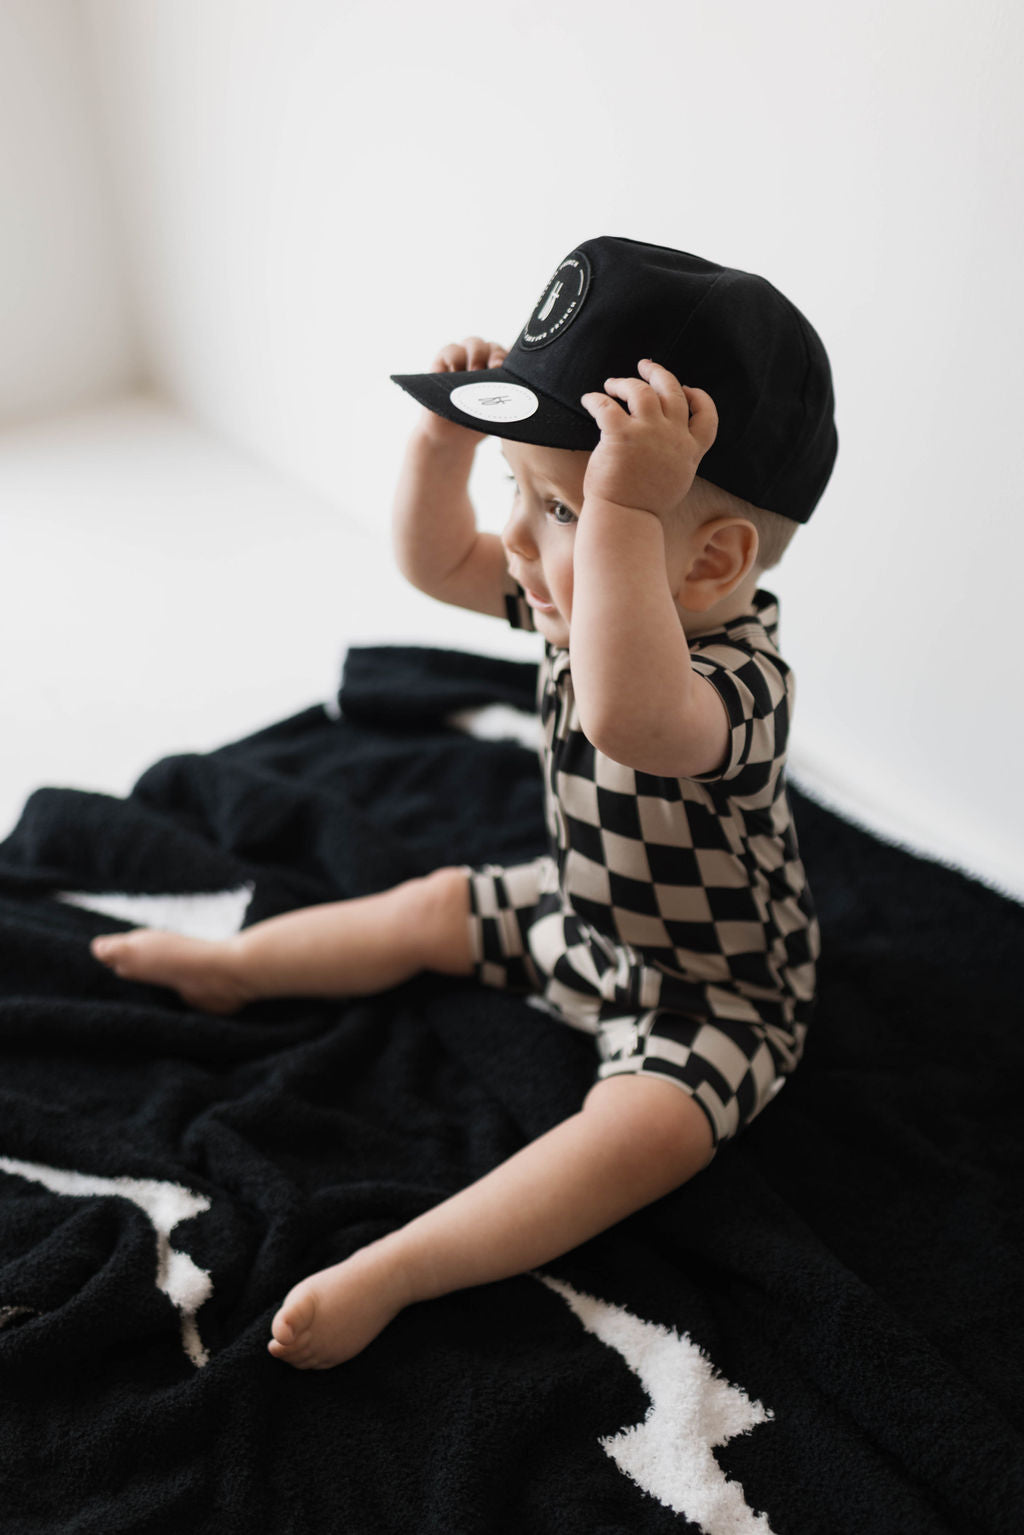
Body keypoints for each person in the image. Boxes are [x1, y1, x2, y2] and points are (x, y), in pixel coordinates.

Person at [91, 236, 838, 1370]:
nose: (524, 548)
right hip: (577, 912)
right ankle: (239, 967)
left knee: (628, 1139)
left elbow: (626, 713)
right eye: (520, 494)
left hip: (716, 993)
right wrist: (446, 445)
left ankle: (397, 1265)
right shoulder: (566, 592)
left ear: (710, 562)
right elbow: (437, 561)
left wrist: (624, 511)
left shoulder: (737, 679)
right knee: (436, 901)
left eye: (564, 509)